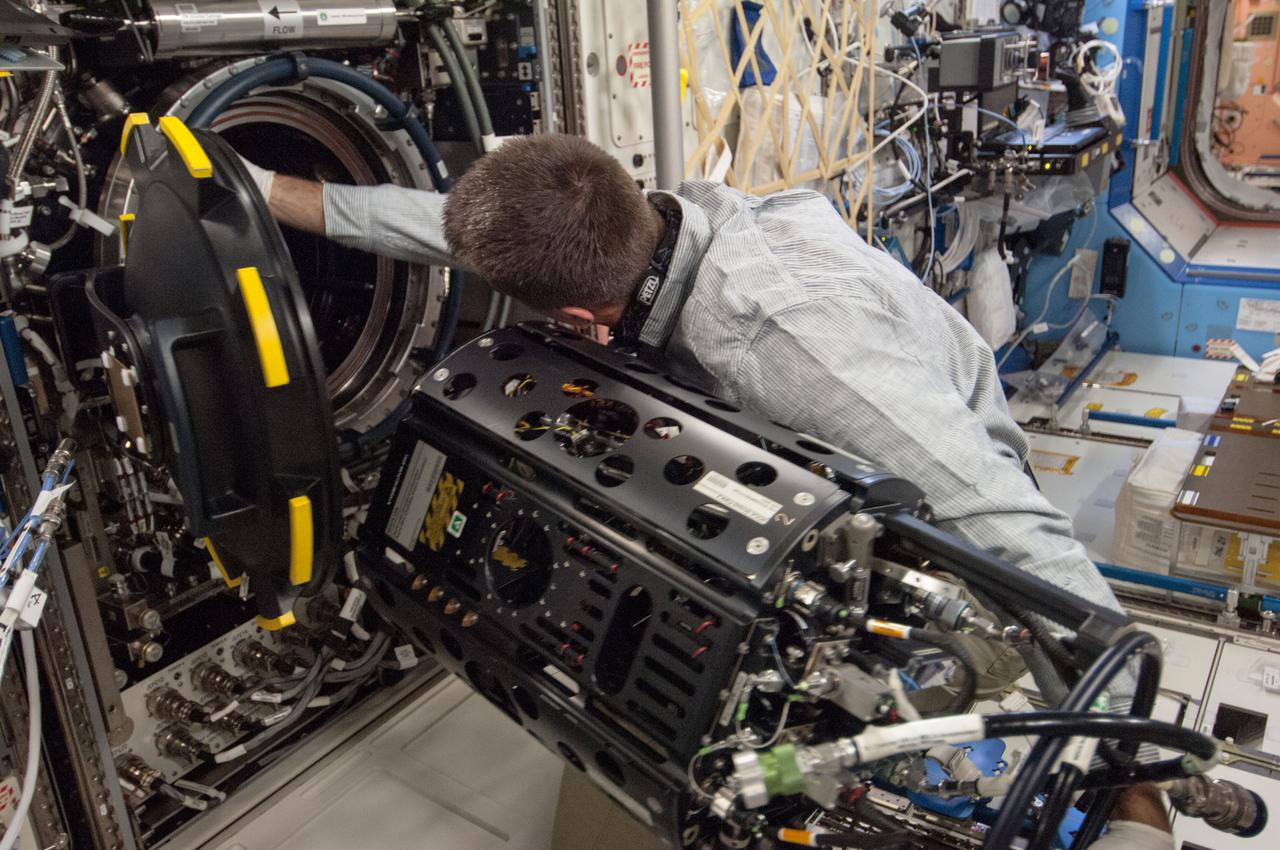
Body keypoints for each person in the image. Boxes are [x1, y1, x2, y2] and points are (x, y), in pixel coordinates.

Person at [238, 135, 1172, 849]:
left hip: (940, 537)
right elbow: (442, 225)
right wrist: (268, 190)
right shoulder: (654, 222)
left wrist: (1140, 793)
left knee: (774, 751)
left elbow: (1002, 523)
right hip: (854, 469)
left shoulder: (776, 340)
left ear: (576, 319)